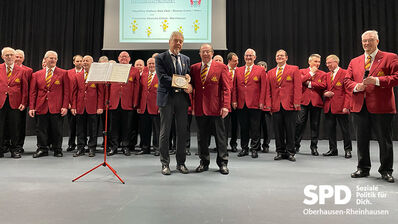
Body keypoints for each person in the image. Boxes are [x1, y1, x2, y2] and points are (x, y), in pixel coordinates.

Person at [345, 30, 398, 183]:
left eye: (370, 40)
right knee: (361, 139)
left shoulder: (390, 57)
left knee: (384, 140)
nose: (366, 43)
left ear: (377, 41)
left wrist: (377, 81)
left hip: (382, 107)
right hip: (359, 106)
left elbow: (396, 77)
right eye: (364, 41)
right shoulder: (355, 61)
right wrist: (356, 87)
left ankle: (386, 170)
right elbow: (347, 81)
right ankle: (363, 168)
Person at [155, 31, 192, 175]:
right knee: (165, 131)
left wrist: (188, 78)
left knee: (182, 132)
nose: (178, 43)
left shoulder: (186, 58)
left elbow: (188, 75)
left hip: (182, 99)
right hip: (167, 98)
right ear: (170, 41)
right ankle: (165, 164)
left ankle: (181, 163)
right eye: (176, 40)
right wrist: (182, 81)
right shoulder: (160, 58)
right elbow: (163, 78)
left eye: (181, 41)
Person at [190, 44, 230, 175]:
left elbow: (226, 89)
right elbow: (192, 88)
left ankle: (223, 163)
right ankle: (204, 162)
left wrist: (225, 106)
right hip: (200, 109)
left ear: (212, 53)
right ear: (199, 54)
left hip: (216, 108)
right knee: (202, 138)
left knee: (220, 138)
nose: (205, 54)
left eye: (208, 52)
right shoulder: (194, 68)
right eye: (203, 52)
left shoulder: (221, 67)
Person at [29, 50, 69, 158]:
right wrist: (32, 107)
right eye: (51, 58)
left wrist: (65, 106)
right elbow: (33, 92)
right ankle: (42, 149)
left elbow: (66, 92)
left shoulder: (63, 73)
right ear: (45, 59)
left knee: (57, 129)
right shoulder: (36, 74)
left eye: (55, 58)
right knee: (41, 129)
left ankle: (57, 149)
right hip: (41, 106)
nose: (53, 60)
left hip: (56, 106)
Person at [267, 49, 301, 162]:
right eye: (278, 56)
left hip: (290, 105)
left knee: (290, 130)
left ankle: (291, 152)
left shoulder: (294, 69)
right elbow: (268, 90)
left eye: (282, 56)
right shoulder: (270, 72)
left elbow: (298, 87)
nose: (279, 57)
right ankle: (280, 151)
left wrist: (296, 102)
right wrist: (269, 105)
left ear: (286, 57)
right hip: (276, 105)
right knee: (278, 130)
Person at [232, 48, 266, 159]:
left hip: (255, 104)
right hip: (241, 103)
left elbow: (264, 88)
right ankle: (244, 148)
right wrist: (234, 100)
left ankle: (254, 149)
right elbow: (234, 87)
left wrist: (262, 101)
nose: (248, 57)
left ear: (255, 57)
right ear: (244, 57)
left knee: (255, 128)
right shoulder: (238, 70)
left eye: (250, 56)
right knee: (244, 128)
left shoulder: (260, 70)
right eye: (246, 55)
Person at [108, 51, 140, 156]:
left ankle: (126, 147)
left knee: (127, 127)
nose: (124, 59)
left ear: (129, 59)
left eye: (126, 57)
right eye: (122, 57)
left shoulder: (134, 71)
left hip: (128, 103)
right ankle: (114, 147)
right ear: (118, 58)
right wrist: (107, 101)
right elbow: (107, 86)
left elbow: (137, 88)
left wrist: (135, 102)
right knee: (113, 127)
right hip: (114, 102)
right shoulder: (112, 69)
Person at [71, 55, 104, 157]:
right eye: (83, 61)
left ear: (92, 63)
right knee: (80, 129)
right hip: (80, 107)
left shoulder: (97, 75)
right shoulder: (78, 75)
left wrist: (100, 106)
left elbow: (100, 93)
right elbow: (74, 92)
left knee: (93, 129)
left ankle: (92, 148)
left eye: (87, 61)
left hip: (93, 107)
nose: (84, 62)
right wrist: (73, 106)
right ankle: (80, 148)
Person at [295, 54, 326, 156]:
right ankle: (296, 145)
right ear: (309, 62)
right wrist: (311, 73)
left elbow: (323, 85)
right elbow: (299, 81)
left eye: (318, 62)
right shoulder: (301, 71)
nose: (317, 64)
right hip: (303, 102)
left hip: (316, 102)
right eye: (315, 61)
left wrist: (309, 84)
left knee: (315, 125)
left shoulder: (322, 74)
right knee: (300, 123)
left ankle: (314, 147)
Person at [0, 47, 28, 158]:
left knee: (14, 127)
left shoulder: (21, 71)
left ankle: (15, 149)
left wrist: (23, 102)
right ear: (3, 57)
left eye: (12, 55)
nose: (10, 57)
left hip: (15, 103)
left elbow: (24, 88)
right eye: (7, 55)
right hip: (1, 102)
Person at [323, 55, 352, 158]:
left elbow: (348, 92)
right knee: (330, 129)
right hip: (329, 106)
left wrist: (346, 106)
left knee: (345, 130)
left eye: (329, 63)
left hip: (341, 107)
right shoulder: (326, 75)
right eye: (327, 63)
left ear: (336, 62)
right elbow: (324, 88)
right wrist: (325, 93)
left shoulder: (345, 73)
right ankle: (333, 149)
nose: (327, 65)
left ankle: (348, 150)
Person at [136, 57, 160, 156]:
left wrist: (161, 106)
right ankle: (145, 147)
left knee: (157, 130)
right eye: (149, 63)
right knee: (144, 129)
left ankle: (157, 148)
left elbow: (163, 93)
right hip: (144, 107)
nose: (151, 65)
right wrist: (138, 106)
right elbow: (139, 92)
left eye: (153, 63)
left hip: (156, 107)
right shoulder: (143, 76)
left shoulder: (160, 76)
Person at [14, 49, 33, 153]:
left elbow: (30, 88)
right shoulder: (8, 69)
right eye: (16, 56)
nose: (18, 59)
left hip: (22, 102)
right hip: (9, 102)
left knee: (20, 125)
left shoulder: (28, 70)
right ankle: (6, 144)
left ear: (23, 59)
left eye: (20, 57)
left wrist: (27, 103)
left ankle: (19, 145)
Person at [66, 55, 83, 152]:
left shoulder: (87, 73)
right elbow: (67, 89)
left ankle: (82, 144)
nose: (79, 63)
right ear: (74, 62)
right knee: (72, 125)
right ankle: (71, 144)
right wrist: (68, 102)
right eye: (78, 61)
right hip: (71, 103)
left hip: (81, 104)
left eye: (81, 61)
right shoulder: (68, 73)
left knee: (81, 126)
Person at [224, 52, 239, 152]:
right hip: (225, 101)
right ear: (229, 61)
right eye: (235, 61)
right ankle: (223, 144)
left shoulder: (240, 71)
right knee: (224, 125)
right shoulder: (223, 69)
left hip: (236, 102)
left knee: (235, 124)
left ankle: (233, 144)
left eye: (237, 60)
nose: (237, 62)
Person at [257, 60, 271, 153]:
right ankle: (256, 145)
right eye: (259, 66)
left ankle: (266, 145)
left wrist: (269, 106)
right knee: (256, 127)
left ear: (266, 68)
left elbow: (271, 93)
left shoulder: (269, 77)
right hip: (256, 106)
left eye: (263, 66)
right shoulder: (254, 77)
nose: (261, 68)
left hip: (267, 107)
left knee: (267, 128)